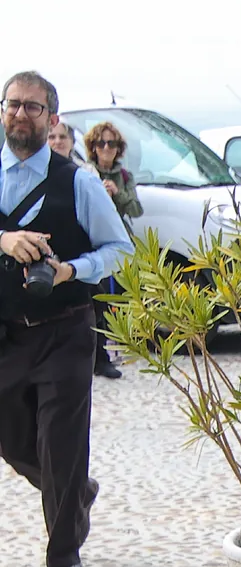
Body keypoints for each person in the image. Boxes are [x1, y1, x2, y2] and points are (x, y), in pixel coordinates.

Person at [0, 71, 131, 567]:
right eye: (12, 105)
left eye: (33, 108)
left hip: (64, 332)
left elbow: (117, 249)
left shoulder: (77, 181)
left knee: (60, 445)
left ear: (52, 119)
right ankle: (77, 493)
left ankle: (65, 558)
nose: (20, 115)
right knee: (12, 440)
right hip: (6, 335)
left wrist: (68, 271)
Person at [84, 121, 142, 380]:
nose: (106, 149)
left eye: (112, 144)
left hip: (118, 245)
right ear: (93, 147)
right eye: (101, 143)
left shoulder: (124, 176)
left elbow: (136, 210)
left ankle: (113, 348)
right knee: (95, 301)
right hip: (92, 245)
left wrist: (117, 194)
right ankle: (99, 356)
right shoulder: (84, 174)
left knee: (118, 298)